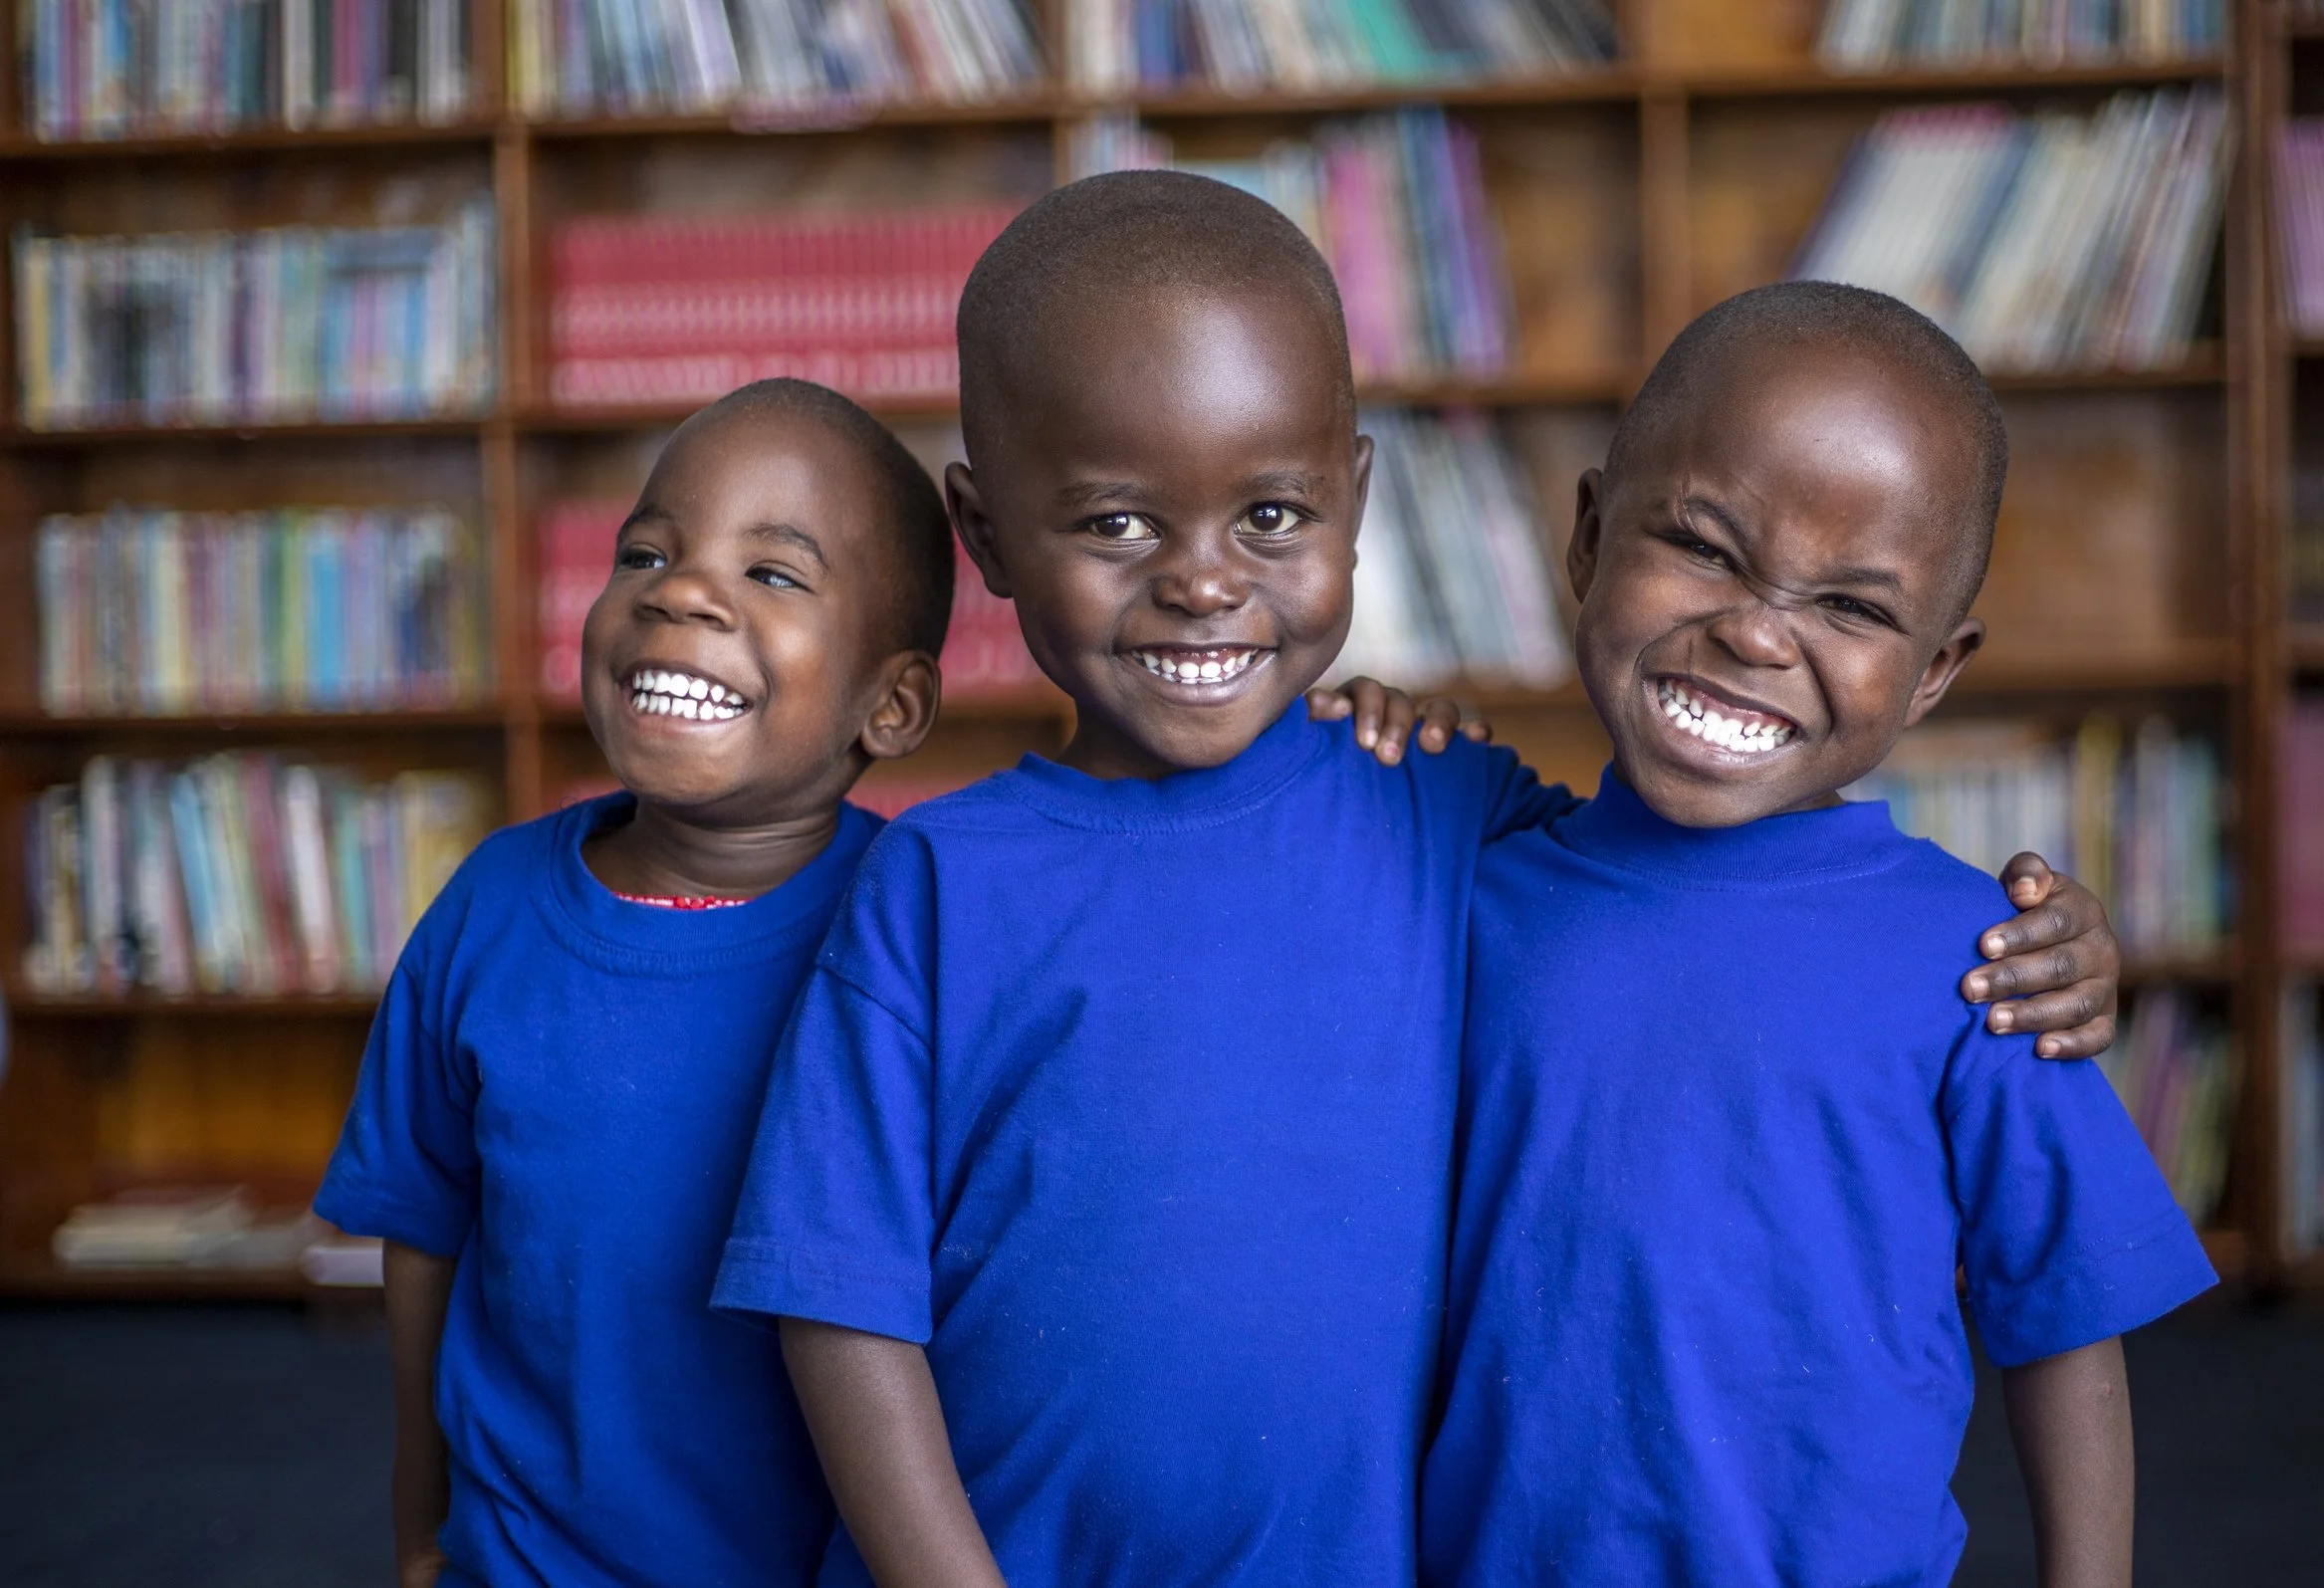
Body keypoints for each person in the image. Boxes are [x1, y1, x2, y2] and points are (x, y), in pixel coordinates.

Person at [712, 176, 2125, 1588]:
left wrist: (2065, 945)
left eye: (1270, 514)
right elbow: (835, 1295)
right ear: (987, 535)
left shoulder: (1445, 811)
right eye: (1120, 525)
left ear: (1353, 503)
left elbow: (1712, 913)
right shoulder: (943, 883)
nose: (1205, 584)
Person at [313, 374, 1466, 1588]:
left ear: (895, 702)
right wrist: (419, 1519)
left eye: (772, 574)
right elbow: (423, 1247)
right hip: (531, 1559)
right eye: (644, 552)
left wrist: (1365, 728)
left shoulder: (924, 910)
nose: (681, 591)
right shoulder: (487, 912)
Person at [1419, 282, 2217, 1588]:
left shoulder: (1988, 962)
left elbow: (2064, 1319)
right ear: (1586, 537)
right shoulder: (1457, 890)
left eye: (1853, 607)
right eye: (1704, 544)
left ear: (1936, 671)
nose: (1754, 628)